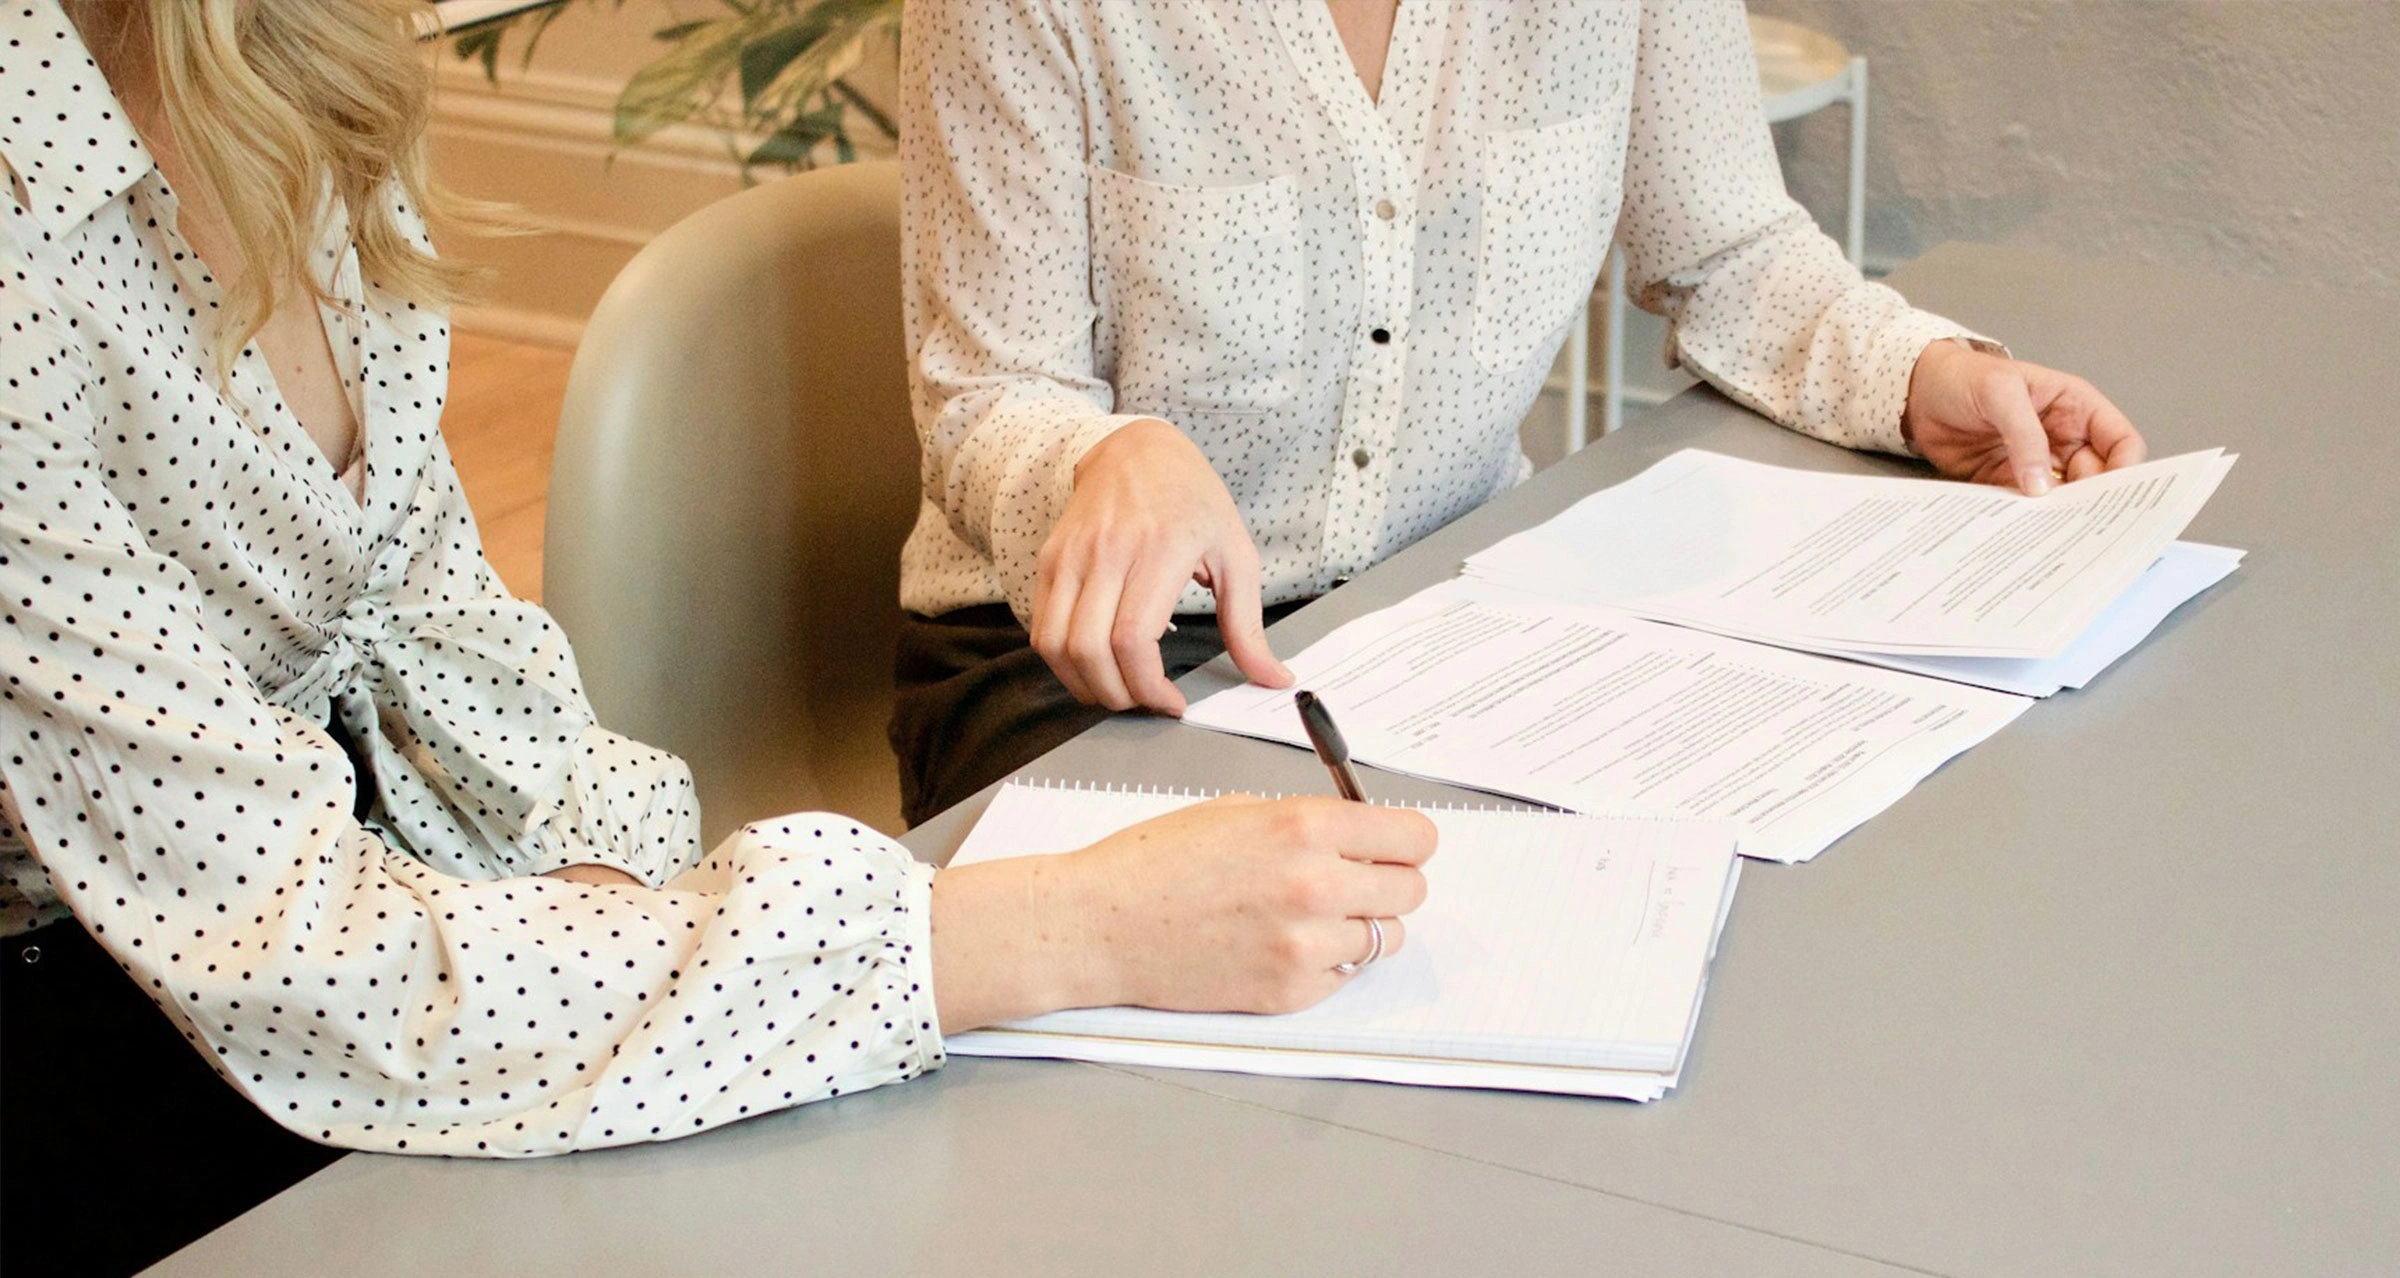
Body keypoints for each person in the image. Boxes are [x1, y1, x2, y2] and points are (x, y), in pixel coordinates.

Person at [0, 1, 1433, 1278]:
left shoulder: (299, 66)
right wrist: (1067, 929)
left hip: (364, 916)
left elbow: (434, 620)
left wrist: (609, 886)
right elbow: (311, 963)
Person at [888, 0, 2153, 825]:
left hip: (1442, 623)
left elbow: (1727, 247)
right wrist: (1107, 458)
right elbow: (987, 393)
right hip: (1085, 664)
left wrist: (1923, 375)